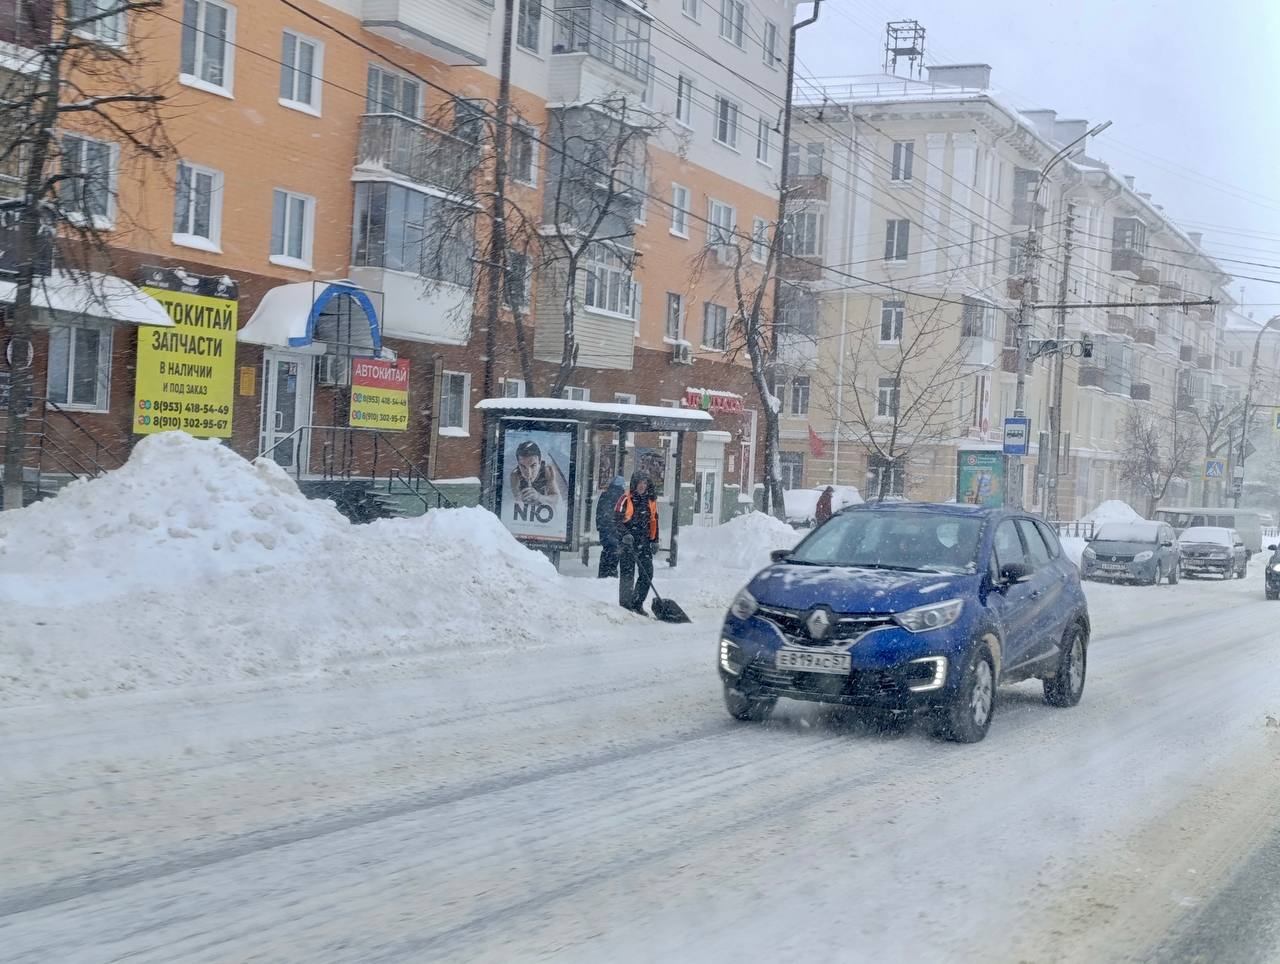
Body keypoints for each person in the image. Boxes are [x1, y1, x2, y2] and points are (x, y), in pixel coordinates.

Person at [615, 471, 658, 613]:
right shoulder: (625, 499)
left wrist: (654, 540)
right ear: (634, 484)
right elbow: (616, 520)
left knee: (647, 573)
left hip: (644, 543)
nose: (642, 486)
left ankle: (637, 603)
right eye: (640, 483)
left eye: (645, 483)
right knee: (627, 575)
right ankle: (626, 606)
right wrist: (625, 534)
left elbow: (654, 521)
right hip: (628, 544)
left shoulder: (651, 501)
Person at [509, 440, 560, 508]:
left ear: (539, 463)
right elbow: (517, 502)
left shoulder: (547, 471)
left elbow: (555, 500)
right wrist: (520, 498)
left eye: (533, 466)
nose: (528, 473)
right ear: (518, 464)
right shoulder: (515, 475)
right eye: (523, 466)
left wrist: (539, 497)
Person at [596, 475, 626, 578]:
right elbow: (621, 514)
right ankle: (611, 573)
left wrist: (600, 527)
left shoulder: (604, 495)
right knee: (614, 552)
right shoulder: (622, 497)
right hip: (615, 529)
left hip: (604, 529)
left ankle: (602, 573)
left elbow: (599, 512)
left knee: (606, 551)